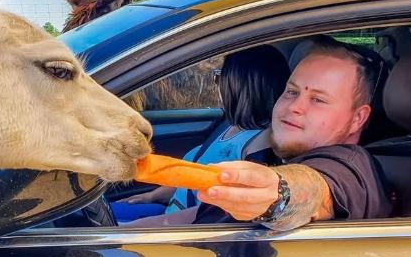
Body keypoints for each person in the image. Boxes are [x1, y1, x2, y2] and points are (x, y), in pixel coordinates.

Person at [126, 39, 393, 230]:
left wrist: (279, 195)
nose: (294, 107)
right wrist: (130, 231)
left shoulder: (352, 169)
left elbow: (315, 190)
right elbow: (202, 215)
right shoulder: (281, 155)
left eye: (318, 100)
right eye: (291, 92)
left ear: (358, 117)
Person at [112, 45, 289, 223]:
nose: (217, 82)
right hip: (168, 212)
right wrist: (151, 196)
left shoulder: (261, 142)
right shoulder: (230, 125)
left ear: (238, 85)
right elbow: (191, 179)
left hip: (186, 227)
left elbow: (219, 213)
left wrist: (146, 226)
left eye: (220, 76)